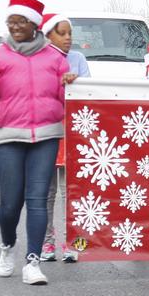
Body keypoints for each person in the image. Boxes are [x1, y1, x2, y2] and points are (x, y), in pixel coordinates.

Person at [0, 0, 71, 286]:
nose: (15, 26)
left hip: (46, 135)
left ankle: (33, 261)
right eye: (11, 21)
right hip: (8, 135)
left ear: (35, 25)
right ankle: (7, 247)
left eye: (21, 21)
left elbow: (66, 102)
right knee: (10, 204)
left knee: (37, 200)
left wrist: (70, 84)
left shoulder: (55, 58)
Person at [40, 13, 88, 263]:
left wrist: (75, 84)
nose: (68, 38)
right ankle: (47, 243)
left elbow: (90, 92)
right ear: (48, 35)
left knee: (72, 192)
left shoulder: (78, 59)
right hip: (48, 131)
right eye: (62, 33)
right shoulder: (38, 60)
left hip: (74, 132)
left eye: (70, 33)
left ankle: (75, 244)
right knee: (47, 193)